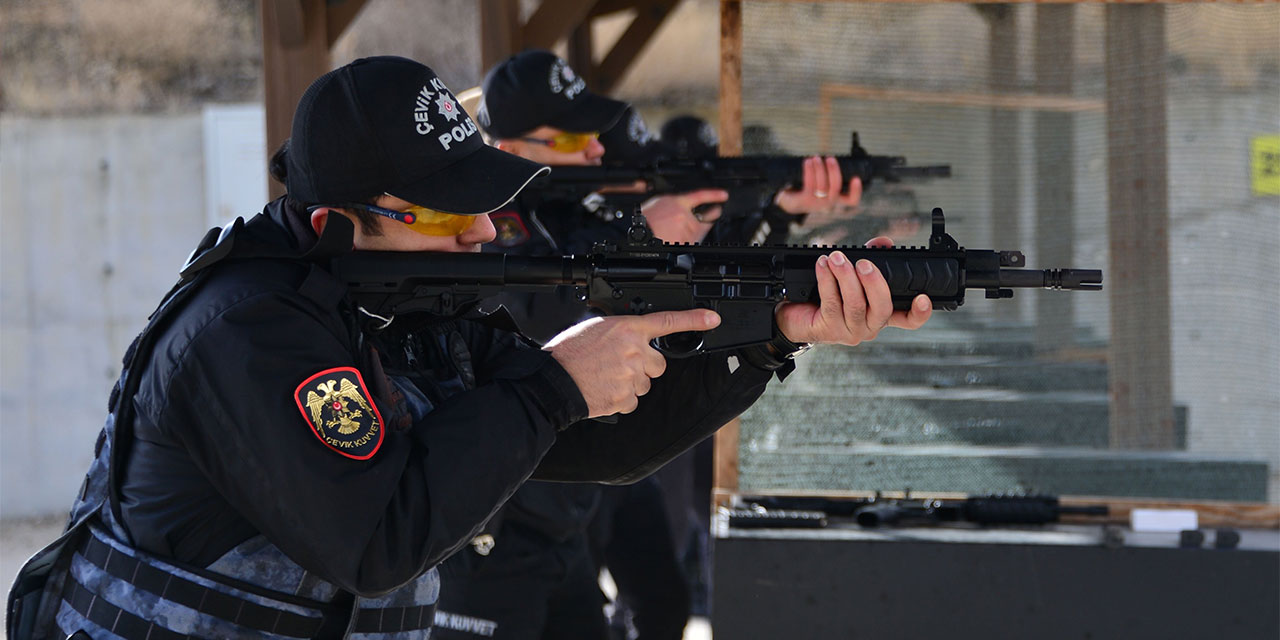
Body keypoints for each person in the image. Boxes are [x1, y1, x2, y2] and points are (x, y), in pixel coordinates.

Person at [7, 54, 932, 640]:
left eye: (489, 206)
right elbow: (373, 541)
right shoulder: (243, 331)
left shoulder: (402, 304)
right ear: (337, 225)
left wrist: (769, 333)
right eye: (453, 213)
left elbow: (598, 443)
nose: (486, 236)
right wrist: (549, 391)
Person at [431, 50, 927, 640]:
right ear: (510, 147)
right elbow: (527, 329)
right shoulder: (482, 227)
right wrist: (643, 238)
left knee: (659, 608)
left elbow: (702, 282)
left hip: (570, 499)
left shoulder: (570, 212)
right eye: (570, 137)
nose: (595, 150)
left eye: (592, 133)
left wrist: (774, 214)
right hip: (501, 519)